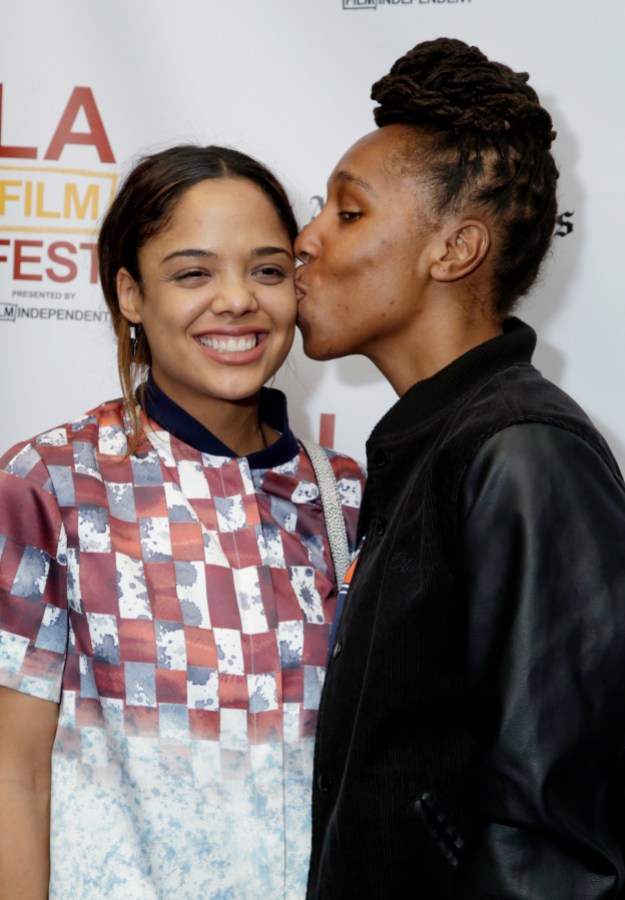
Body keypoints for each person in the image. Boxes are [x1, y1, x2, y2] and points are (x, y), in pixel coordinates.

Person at [295, 37, 625, 898]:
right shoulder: (439, 446)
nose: (305, 239)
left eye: (347, 212)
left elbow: (548, 844)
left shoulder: (523, 453)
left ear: (454, 250)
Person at [0, 144, 364, 899]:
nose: (237, 300)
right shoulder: (49, 485)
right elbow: (13, 775)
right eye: (193, 273)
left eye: (267, 270)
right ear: (130, 293)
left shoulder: (346, 497)